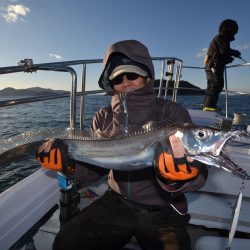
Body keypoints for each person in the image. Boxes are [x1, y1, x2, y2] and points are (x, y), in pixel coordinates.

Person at [36, 40, 208, 250]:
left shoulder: (172, 113)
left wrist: (180, 180)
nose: (125, 81)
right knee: (66, 243)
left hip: (163, 209)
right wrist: (68, 167)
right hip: (116, 202)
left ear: (147, 77)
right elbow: (94, 171)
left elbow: (200, 173)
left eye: (132, 74)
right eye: (117, 77)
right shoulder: (102, 116)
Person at [203, 19, 241, 111]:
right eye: (234, 30)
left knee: (213, 85)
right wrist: (235, 52)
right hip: (214, 66)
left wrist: (228, 58)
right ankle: (209, 107)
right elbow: (224, 51)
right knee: (216, 85)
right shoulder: (222, 37)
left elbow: (221, 54)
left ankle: (207, 107)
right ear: (230, 29)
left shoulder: (220, 37)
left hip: (211, 65)